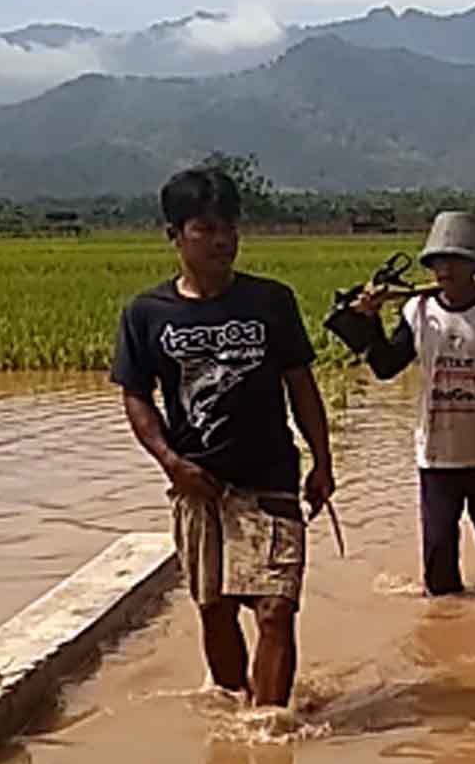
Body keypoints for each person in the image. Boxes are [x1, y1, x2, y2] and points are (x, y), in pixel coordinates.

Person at [110, 166, 335, 707]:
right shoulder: (147, 314)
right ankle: (236, 706)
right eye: (205, 228)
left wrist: (323, 461)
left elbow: (301, 385)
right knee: (215, 609)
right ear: (174, 235)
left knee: (276, 608)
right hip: (199, 483)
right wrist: (170, 463)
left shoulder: (271, 302)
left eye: (229, 227)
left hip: (271, 478)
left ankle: (269, 730)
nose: (222, 240)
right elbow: (136, 396)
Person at [356, 210, 475, 596]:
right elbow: (387, 367)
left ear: (474, 265)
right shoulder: (418, 312)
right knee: (440, 579)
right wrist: (369, 323)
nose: (445, 268)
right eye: (438, 261)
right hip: (438, 458)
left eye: (455, 260)